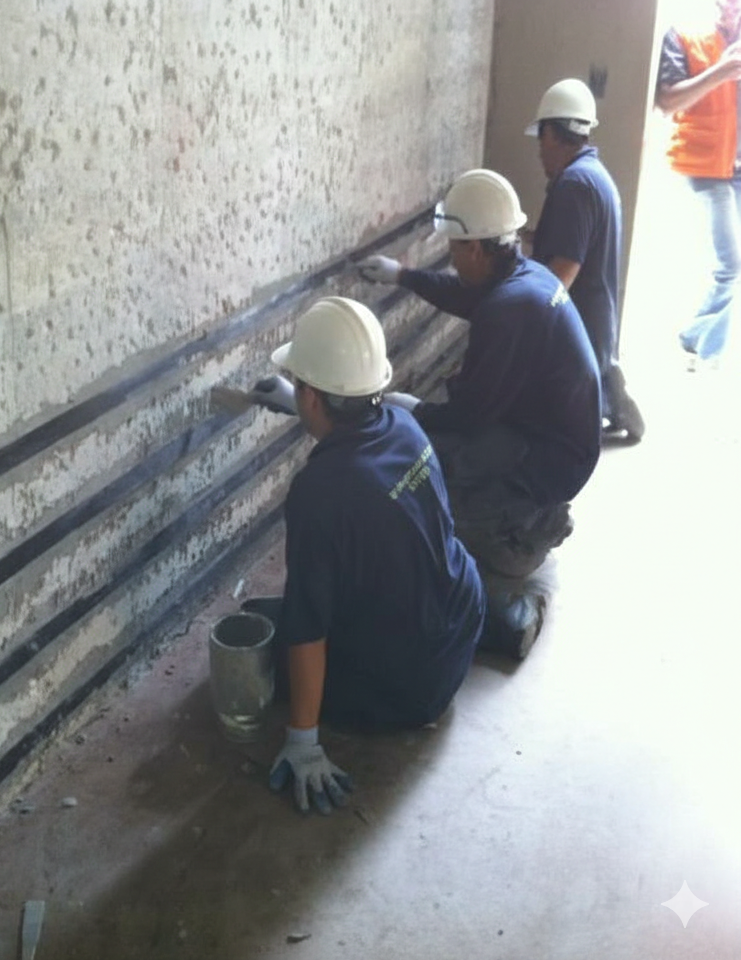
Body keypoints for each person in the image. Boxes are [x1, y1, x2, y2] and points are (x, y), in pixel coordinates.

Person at [359, 169, 601, 658]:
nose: (451, 256)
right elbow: (466, 296)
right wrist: (403, 275)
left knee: (426, 500)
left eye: (454, 247)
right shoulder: (526, 276)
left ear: (474, 248)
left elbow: (469, 416)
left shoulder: (510, 309)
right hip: (559, 440)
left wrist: (413, 410)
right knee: (444, 453)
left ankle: (518, 546)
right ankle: (532, 518)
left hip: (553, 460)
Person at [258, 296, 485, 815]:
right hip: (460, 625)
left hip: (409, 693)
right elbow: (359, 450)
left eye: (300, 388)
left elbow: (308, 628)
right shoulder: (404, 425)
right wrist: (297, 402)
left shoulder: (319, 492)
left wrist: (303, 738)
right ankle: (503, 623)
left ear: (312, 397)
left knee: (271, 640)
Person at [526, 78, 645, 443]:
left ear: (551, 133)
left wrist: (519, 314)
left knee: (554, 425)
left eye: (541, 140)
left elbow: (561, 276)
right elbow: (573, 242)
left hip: (580, 327)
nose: (539, 152)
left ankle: (605, 405)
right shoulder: (594, 175)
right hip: (597, 321)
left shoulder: (574, 186)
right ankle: (610, 396)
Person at [656, 0, 741, 368]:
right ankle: (698, 346)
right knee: (729, 265)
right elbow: (667, 102)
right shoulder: (685, 34)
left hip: (736, 166)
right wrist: (720, 72)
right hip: (705, 165)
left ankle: (704, 347)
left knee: (729, 268)